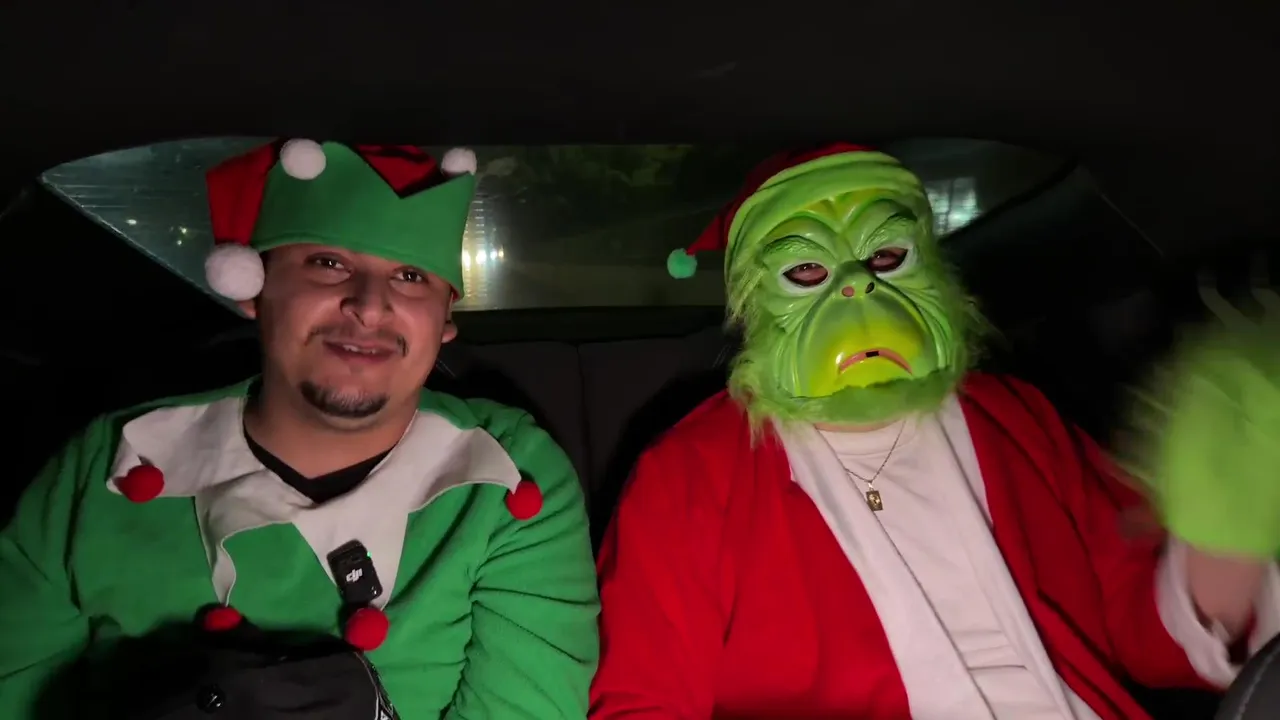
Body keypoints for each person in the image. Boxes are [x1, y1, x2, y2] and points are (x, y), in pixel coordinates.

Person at [588, 142, 1280, 719]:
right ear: (751, 302)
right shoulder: (689, 475)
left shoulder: (1017, 418)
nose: (857, 287)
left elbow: (1141, 624)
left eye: (886, 255)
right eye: (806, 269)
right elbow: (641, 701)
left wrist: (1224, 533)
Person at [0, 139, 599, 719]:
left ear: (445, 321)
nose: (369, 305)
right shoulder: (108, 462)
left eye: (411, 276)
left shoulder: (509, 477)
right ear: (254, 291)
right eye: (329, 264)